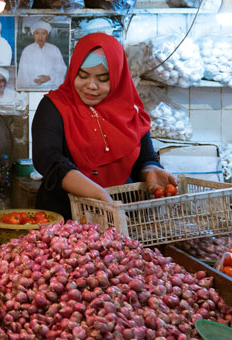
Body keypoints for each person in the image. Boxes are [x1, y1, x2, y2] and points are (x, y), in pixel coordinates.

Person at [31, 33, 176, 220]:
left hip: (121, 216)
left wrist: (151, 170)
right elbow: (47, 158)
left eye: (103, 78)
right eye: (82, 75)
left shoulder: (129, 110)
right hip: (65, 218)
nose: (91, 85)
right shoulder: (55, 106)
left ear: (117, 77)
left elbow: (144, 158)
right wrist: (99, 195)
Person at [17, 21, 68, 89]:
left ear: (47, 35)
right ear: (33, 34)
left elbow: (62, 69)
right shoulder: (27, 50)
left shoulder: (54, 49)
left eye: (43, 33)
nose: (40, 37)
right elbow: (22, 72)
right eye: (37, 33)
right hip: (32, 86)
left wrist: (49, 77)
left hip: (51, 86)